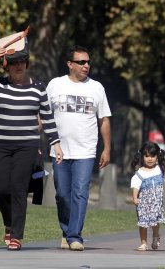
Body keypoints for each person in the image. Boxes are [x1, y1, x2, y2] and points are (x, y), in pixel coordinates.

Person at [46, 45, 112, 251]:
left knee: (80, 193)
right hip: (59, 150)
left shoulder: (97, 88)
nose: (86, 65)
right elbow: (43, 116)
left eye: (88, 62)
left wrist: (107, 148)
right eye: (81, 62)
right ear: (70, 64)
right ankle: (66, 232)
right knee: (62, 195)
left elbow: (104, 120)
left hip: (85, 151)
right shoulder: (55, 85)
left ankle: (75, 236)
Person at [0, 46, 63, 250]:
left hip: (26, 145)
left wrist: (56, 143)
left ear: (27, 64)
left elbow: (47, 117)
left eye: (22, 62)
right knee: (0, 189)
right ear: (6, 66)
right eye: (14, 63)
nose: (18, 66)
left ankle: (16, 235)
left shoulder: (38, 88)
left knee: (18, 188)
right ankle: (9, 222)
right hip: (0, 144)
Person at [130, 142, 165, 251]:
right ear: (142, 157)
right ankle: (143, 243)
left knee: (155, 222)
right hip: (143, 203)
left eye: (152, 156)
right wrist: (135, 197)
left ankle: (156, 236)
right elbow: (135, 186)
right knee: (143, 223)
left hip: (156, 203)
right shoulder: (140, 172)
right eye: (147, 156)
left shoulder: (160, 170)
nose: (150, 159)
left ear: (157, 156)